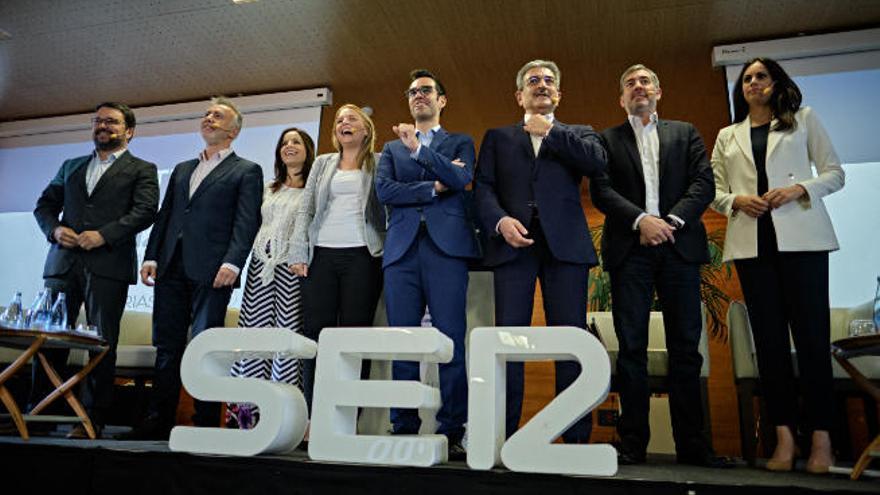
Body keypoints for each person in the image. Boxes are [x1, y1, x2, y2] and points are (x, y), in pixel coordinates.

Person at [590, 65, 730, 467]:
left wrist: (669, 223)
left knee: (686, 348)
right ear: (621, 98)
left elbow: (703, 183)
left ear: (658, 91)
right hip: (629, 250)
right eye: (629, 83)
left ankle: (693, 445)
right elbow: (601, 191)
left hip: (679, 247)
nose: (638, 87)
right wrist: (641, 221)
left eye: (644, 81)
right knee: (630, 348)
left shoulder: (685, 133)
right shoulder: (606, 140)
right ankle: (632, 443)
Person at [710, 57, 844, 473]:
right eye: (747, 78)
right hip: (753, 246)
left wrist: (799, 188)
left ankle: (823, 440)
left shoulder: (803, 120)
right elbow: (714, 190)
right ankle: (784, 438)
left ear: (775, 82)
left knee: (812, 341)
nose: (753, 82)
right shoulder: (727, 135)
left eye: (761, 76)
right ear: (741, 89)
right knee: (769, 346)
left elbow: (835, 174)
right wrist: (735, 201)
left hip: (802, 242)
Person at [474, 59, 606, 443]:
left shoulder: (579, 134)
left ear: (559, 93)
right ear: (520, 95)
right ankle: (502, 435)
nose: (542, 84)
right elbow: (482, 188)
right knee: (508, 342)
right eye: (534, 81)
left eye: (550, 80)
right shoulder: (498, 137)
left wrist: (549, 132)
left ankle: (575, 438)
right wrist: (500, 221)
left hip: (566, 248)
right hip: (512, 249)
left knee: (570, 341)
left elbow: (596, 164)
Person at [124, 96, 263, 440]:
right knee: (168, 347)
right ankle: (158, 422)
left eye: (217, 116)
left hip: (214, 270)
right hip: (171, 266)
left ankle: (204, 424)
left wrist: (233, 261)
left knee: (205, 347)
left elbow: (246, 222)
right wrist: (151, 256)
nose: (209, 119)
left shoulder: (246, 170)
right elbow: (166, 215)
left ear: (233, 131)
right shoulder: (183, 168)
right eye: (206, 115)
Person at [32, 102, 159, 438]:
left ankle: (89, 419)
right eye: (98, 121)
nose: (103, 126)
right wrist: (55, 230)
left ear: (129, 131)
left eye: (112, 122)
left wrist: (104, 235)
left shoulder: (142, 169)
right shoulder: (70, 165)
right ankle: (39, 415)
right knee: (49, 340)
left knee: (100, 343)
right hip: (62, 263)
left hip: (108, 265)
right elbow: (44, 205)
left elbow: (145, 211)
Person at [376, 69, 479, 459]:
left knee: (451, 340)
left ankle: (452, 429)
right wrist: (433, 184)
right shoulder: (389, 147)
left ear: (442, 100)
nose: (418, 96)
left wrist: (421, 152)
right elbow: (385, 190)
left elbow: (462, 177)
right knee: (402, 341)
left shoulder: (461, 141)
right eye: (413, 92)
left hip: (447, 250)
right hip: (401, 251)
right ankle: (403, 425)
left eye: (426, 91)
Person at [290, 104, 385, 414]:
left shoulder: (380, 162)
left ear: (366, 129)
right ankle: (315, 413)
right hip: (321, 257)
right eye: (340, 119)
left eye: (352, 118)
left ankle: (350, 415)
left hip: (363, 255)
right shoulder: (322, 163)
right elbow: (306, 209)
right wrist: (299, 251)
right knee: (316, 333)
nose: (344, 122)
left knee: (355, 335)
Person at [226, 127, 315, 429]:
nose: (289, 146)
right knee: (254, 334)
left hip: (292, 270)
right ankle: (247, 413)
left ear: (308, 150)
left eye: (297, 142)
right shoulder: (268, 188)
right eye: (285, 143)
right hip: (260, 269)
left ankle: (282, 415)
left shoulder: (313, 189)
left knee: (286, 336)